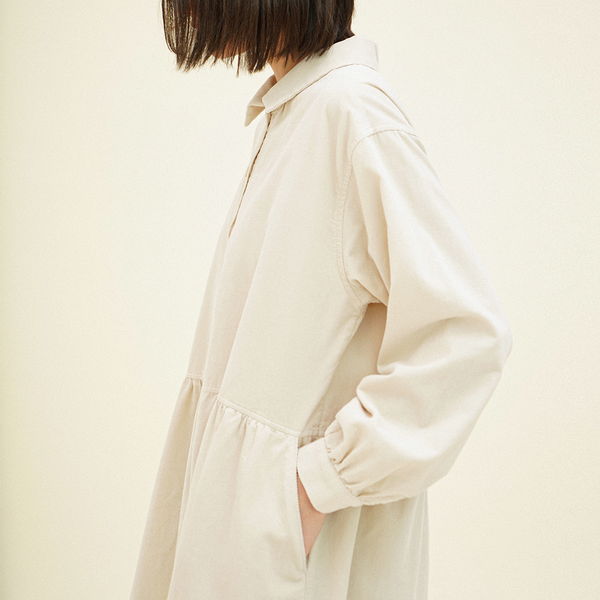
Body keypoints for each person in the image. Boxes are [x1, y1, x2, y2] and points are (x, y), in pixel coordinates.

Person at [130, 1, 513, 599]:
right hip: (245, 525)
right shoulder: (298, 110)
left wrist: (315, 486)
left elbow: (466, 336)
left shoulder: (352, 113)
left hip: (300, 550)